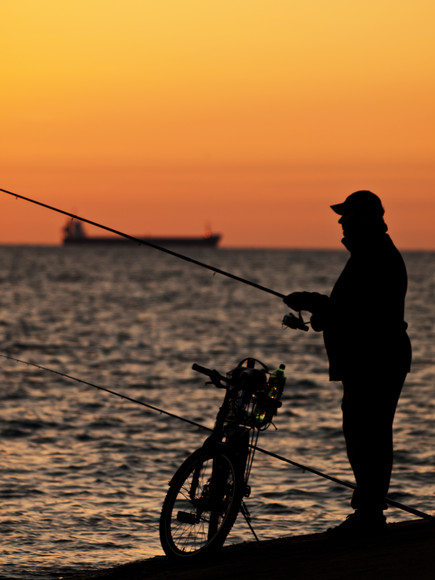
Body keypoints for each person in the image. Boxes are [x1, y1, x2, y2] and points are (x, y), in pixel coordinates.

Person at [284, 190, 411, 536]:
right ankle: (370, 509)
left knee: (368, 434)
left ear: (367, 218)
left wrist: (314, 303)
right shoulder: (368, 254)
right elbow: (348, 312)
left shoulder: (375, 255)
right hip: (371, 359)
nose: (341, 222)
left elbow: (362, 314)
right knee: (364, 432)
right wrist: (321, 311)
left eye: (348, 216)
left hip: (377, 359)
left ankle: (369, 513)